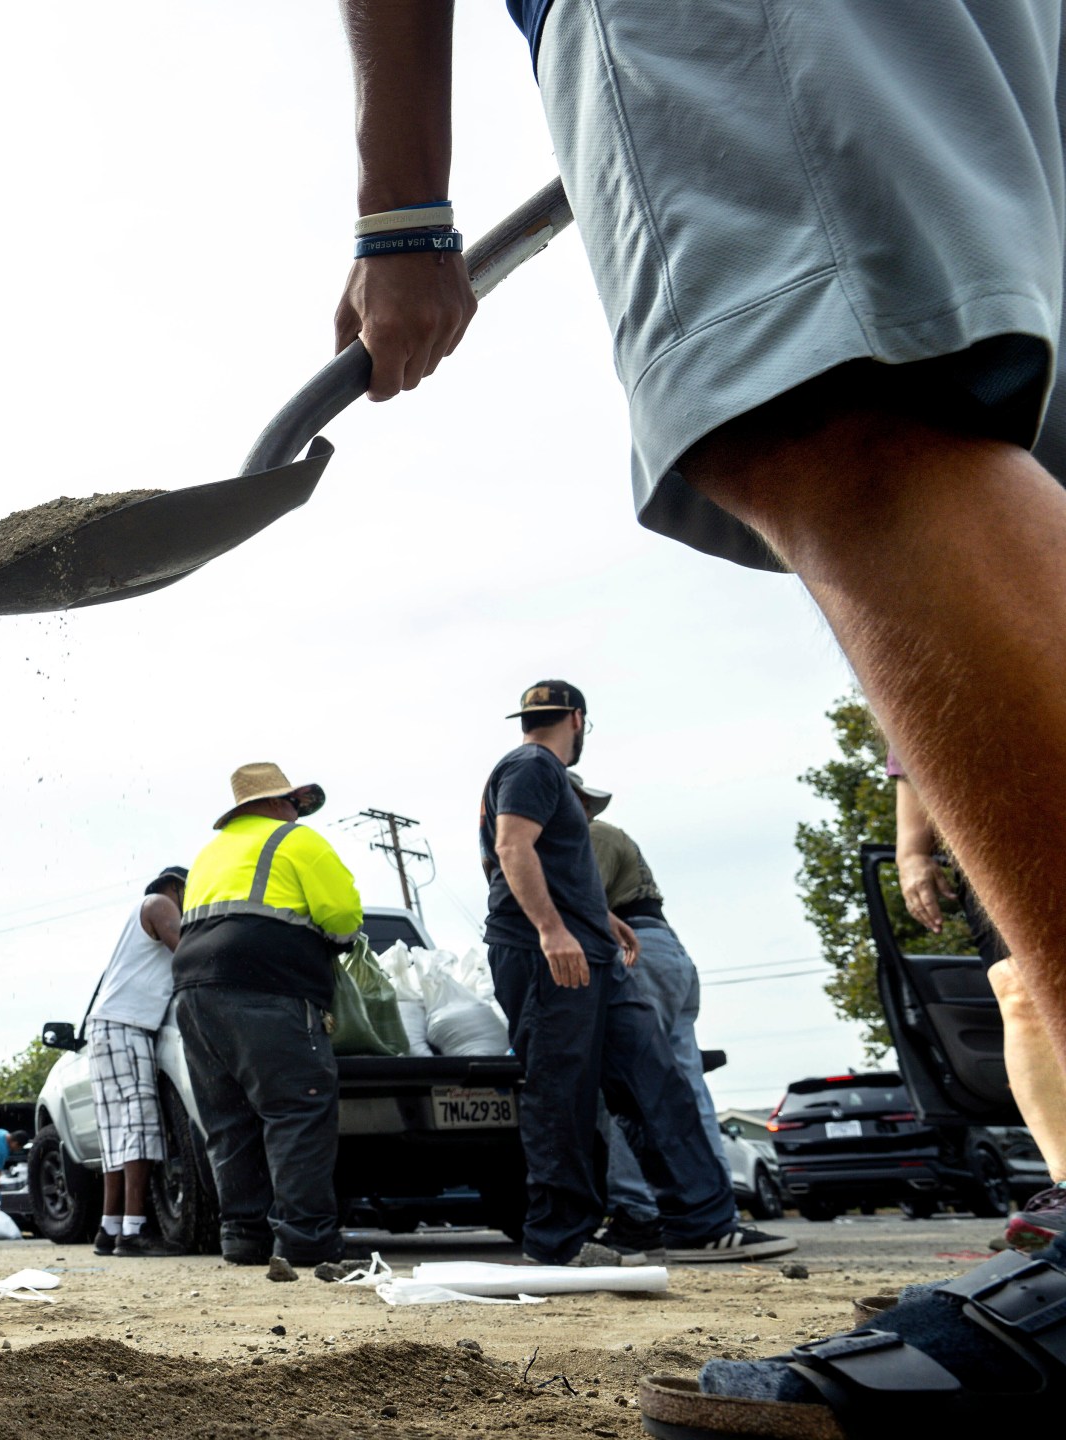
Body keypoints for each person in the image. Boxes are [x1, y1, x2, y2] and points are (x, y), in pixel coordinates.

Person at [328, 0, 1066, 1419]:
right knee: (981, 406)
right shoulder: (530, 779)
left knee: (836, 399)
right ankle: (641, 1218)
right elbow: (516, 858)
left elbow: (527, 866)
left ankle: (668, 1215)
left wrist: (402, 212)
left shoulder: (545, 785)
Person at [478, 683, 789, 1267]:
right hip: (547, 956)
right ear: (577, 718)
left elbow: (558, 865)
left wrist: (602, 919)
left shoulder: (540, 773)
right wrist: (552, 930)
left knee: (655, 1079)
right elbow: (513, 849)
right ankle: (558, 1242)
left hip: (593, 951)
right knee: (561, 1091)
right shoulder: (533, 765)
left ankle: (700, 1222)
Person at [170, 764, 360, 1273]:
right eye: (294, 803)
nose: (298, 811)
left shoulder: (208, 856)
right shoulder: (298, 842)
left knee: (228, 1119)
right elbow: (343, 918)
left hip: (193, 993)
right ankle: (307, 1242)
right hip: (270, 987)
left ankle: (243, 1239)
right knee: (297, 1110)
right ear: (278, 804)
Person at [892, 753, 1066, 1249]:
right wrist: (911, 852)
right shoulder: (936, 673)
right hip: (992, 841)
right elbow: (913, 743)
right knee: (1019, 987)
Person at [569, 774, 726, 1256]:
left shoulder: (590, 836)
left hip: (634, 951)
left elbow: (582, 907)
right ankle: (715, 1210)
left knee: (636, 1086)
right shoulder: (611, 837)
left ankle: (638, 1213)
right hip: (665, 949)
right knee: (684, 1084)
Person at [81, 866, 189, 1258]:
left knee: (117, 1134)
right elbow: (188, 950)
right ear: (177, 887)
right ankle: (134, 1232)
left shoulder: (139, 915)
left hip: (107, 1027)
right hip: (127, 1027)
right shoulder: (159, 903)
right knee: (140, 1128)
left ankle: (109, 1231)